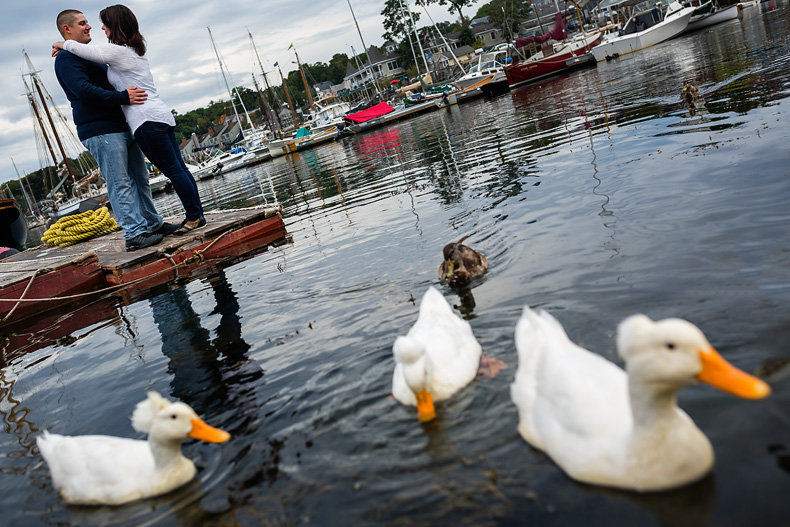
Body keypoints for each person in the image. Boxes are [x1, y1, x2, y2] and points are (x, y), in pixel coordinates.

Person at [53, 5, 205, 237]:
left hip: (135, 122)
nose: (92, 26)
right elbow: (83, 90)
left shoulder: (108, 53)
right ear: (67, 28)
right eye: (83, 23)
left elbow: (93, 56)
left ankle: (157, 222)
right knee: (122, 182)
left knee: (143, 178)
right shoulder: (67, 58)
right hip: (105, 127)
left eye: (95, 22)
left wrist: (60, 42)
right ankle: (135, 233)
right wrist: (122, 97)